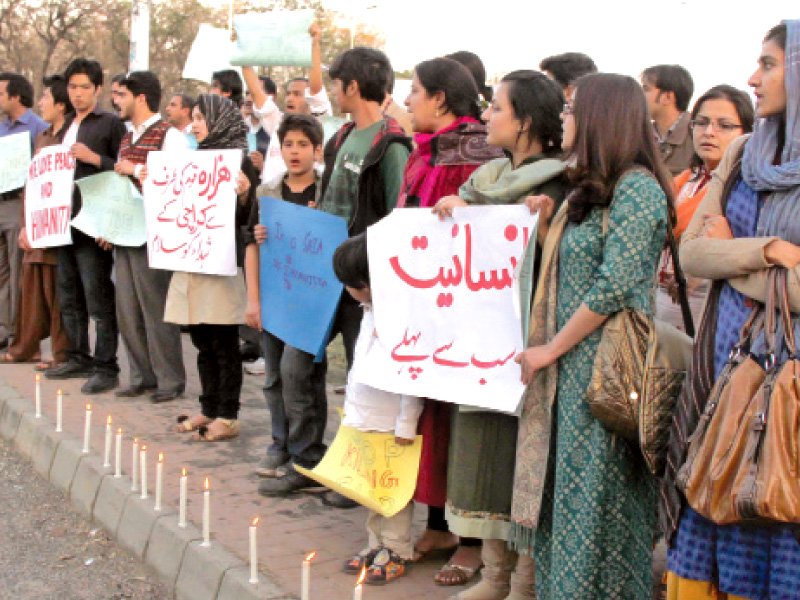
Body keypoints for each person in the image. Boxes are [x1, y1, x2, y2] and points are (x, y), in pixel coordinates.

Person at [511, 73, 672, 599]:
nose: (564, 116)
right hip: (569, 379)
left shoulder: (640, 189)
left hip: (605, 378)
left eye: (573, 108)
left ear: (602, 116)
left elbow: (613, 288)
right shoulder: (592, 188)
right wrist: (549, 222)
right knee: (567, 509)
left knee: (598, 511)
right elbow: (582, 267)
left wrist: (549, 350)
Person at [661, 21, 800, 600]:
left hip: (789, 399)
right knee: (710, 510)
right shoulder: (746, 152)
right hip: (725, 379)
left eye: (768, 64)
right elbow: (692, 251)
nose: (753, 77)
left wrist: (731, 259)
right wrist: (768, 252)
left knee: (777, 510)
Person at [432, 69, 566, 599]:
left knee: (523, 464)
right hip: (476, 345)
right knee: (480, 454)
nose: (486, 116)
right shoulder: (483, 181)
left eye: (498, 109)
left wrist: (542, 220)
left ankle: (524, 583)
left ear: (526, 120)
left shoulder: (558, 185)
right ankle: (493, 576)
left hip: (528, 347)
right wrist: (454, 212)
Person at [392, 55, 503, 586]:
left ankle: (472, 542)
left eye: (414, 90)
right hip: (422, 310)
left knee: (463, 426)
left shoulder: (474, 156)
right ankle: (437, 525)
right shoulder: (429, 151)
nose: (408, 100)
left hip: (465, 316)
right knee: (429, 418)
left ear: (439, 98)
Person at [242, 114, 329, 493]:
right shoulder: (268, 193)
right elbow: (250, 245)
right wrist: (253, 300)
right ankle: (280, 444)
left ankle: (307, 452)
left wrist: (317, 224)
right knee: (275, 377)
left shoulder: (328, 192)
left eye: (303, 145)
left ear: (317, 150)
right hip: (277, 298)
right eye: (289, 144)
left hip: (314, 303)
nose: (295, 152)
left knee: (302, 375)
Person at [333, 233, 423, 585]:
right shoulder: (368, 313)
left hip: (390, 423)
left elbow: (412, 375)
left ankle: (398, 547)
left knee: (393, 490)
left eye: (349, 285)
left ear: (366, 283)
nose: (347, 292)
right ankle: (375, 544)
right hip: (363, 417)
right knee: (369, 487)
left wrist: (406, 424)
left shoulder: (402, 318)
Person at [167, 94, 257, 441]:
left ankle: (228, 414)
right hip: (194, 262)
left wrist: (246, 196)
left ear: (219, 121)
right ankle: (208, 406)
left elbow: (248, 220)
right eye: (193, 118)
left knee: (223, 343)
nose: (194, 125)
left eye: (201, 118)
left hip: (223, 266)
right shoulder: (195, 160)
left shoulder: (239, 163)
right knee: (203, 341)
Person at [318, 46, 411, 373]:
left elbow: (396, 216)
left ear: (352, 86)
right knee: (297, 364)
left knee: (361, 370)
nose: (333, 91)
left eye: (336, 83)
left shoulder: (391, 144)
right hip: (325, 270)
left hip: (361, 279)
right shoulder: (342, 136)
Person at [44, 58, 126, 394]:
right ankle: (77, 356)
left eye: (84, 87)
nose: (77, 93)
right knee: (69, 295)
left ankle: (106, 366)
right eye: (72, 87)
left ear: (97, 89)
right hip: (62, 222)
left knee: (98, 296)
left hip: (93, 223)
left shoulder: (108, 124)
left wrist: (95, 159)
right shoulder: (63, 127)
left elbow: (122, 172)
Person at [112, 71, 187, 403]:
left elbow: (178, 181)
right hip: (125, 232)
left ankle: (169, 379)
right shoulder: (128, 138)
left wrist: (137, 171)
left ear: (140, 97)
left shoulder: (169, 136)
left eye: (122, 95)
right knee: (128, 309)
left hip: (155, 236)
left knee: (156, 309)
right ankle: (142, 374)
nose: (117, 101)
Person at [655, 85, 754, 330]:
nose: (709, 132)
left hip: (715, 307)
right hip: (663, 301)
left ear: (748, 132)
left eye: (724, 125)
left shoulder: (747, 190)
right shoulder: (685, 181)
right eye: (701, 122)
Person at [3, 75, 70, 367]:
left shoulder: (48, 132)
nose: (41, 102)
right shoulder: (37, 136)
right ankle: (16, 339)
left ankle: (51, 349)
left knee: (42, 285)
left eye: (46, 98)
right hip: (18, 209)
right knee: (15, 280)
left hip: (42, 217)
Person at [242, 23, 332, 184]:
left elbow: (316, 88)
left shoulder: (321, 121)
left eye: (297, 94)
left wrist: (314, 45)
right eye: (288, 93)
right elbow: (257, 94)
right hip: (270, 202)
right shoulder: (278, 123)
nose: (290, 98)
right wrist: (244, 58)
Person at [0, 72, 47, 352]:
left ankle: (20, 331)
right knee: (2, 271)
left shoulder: (37, 128)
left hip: (19, 204)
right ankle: (4, 327)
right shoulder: (2, 127)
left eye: (1, 93)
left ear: (16, 96)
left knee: (19, 271)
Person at [641, 64, 695, 175]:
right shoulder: (639, 136)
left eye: (646, 89)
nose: (639, 95)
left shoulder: (697, 134)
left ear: (667, 97)